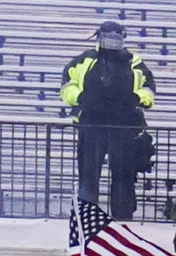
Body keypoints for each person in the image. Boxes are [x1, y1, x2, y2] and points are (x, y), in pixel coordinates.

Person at [60, 22, 154, 221]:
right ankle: (86, 218)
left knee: (124, 176)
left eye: (116, 39)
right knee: (88, 175)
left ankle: (123, 220)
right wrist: (80, 97)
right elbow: (67, 85)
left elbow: (149, 88)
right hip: (92, 125)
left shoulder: (134, 62)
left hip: (124, 127)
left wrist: (139, 99)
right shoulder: (84, 60)